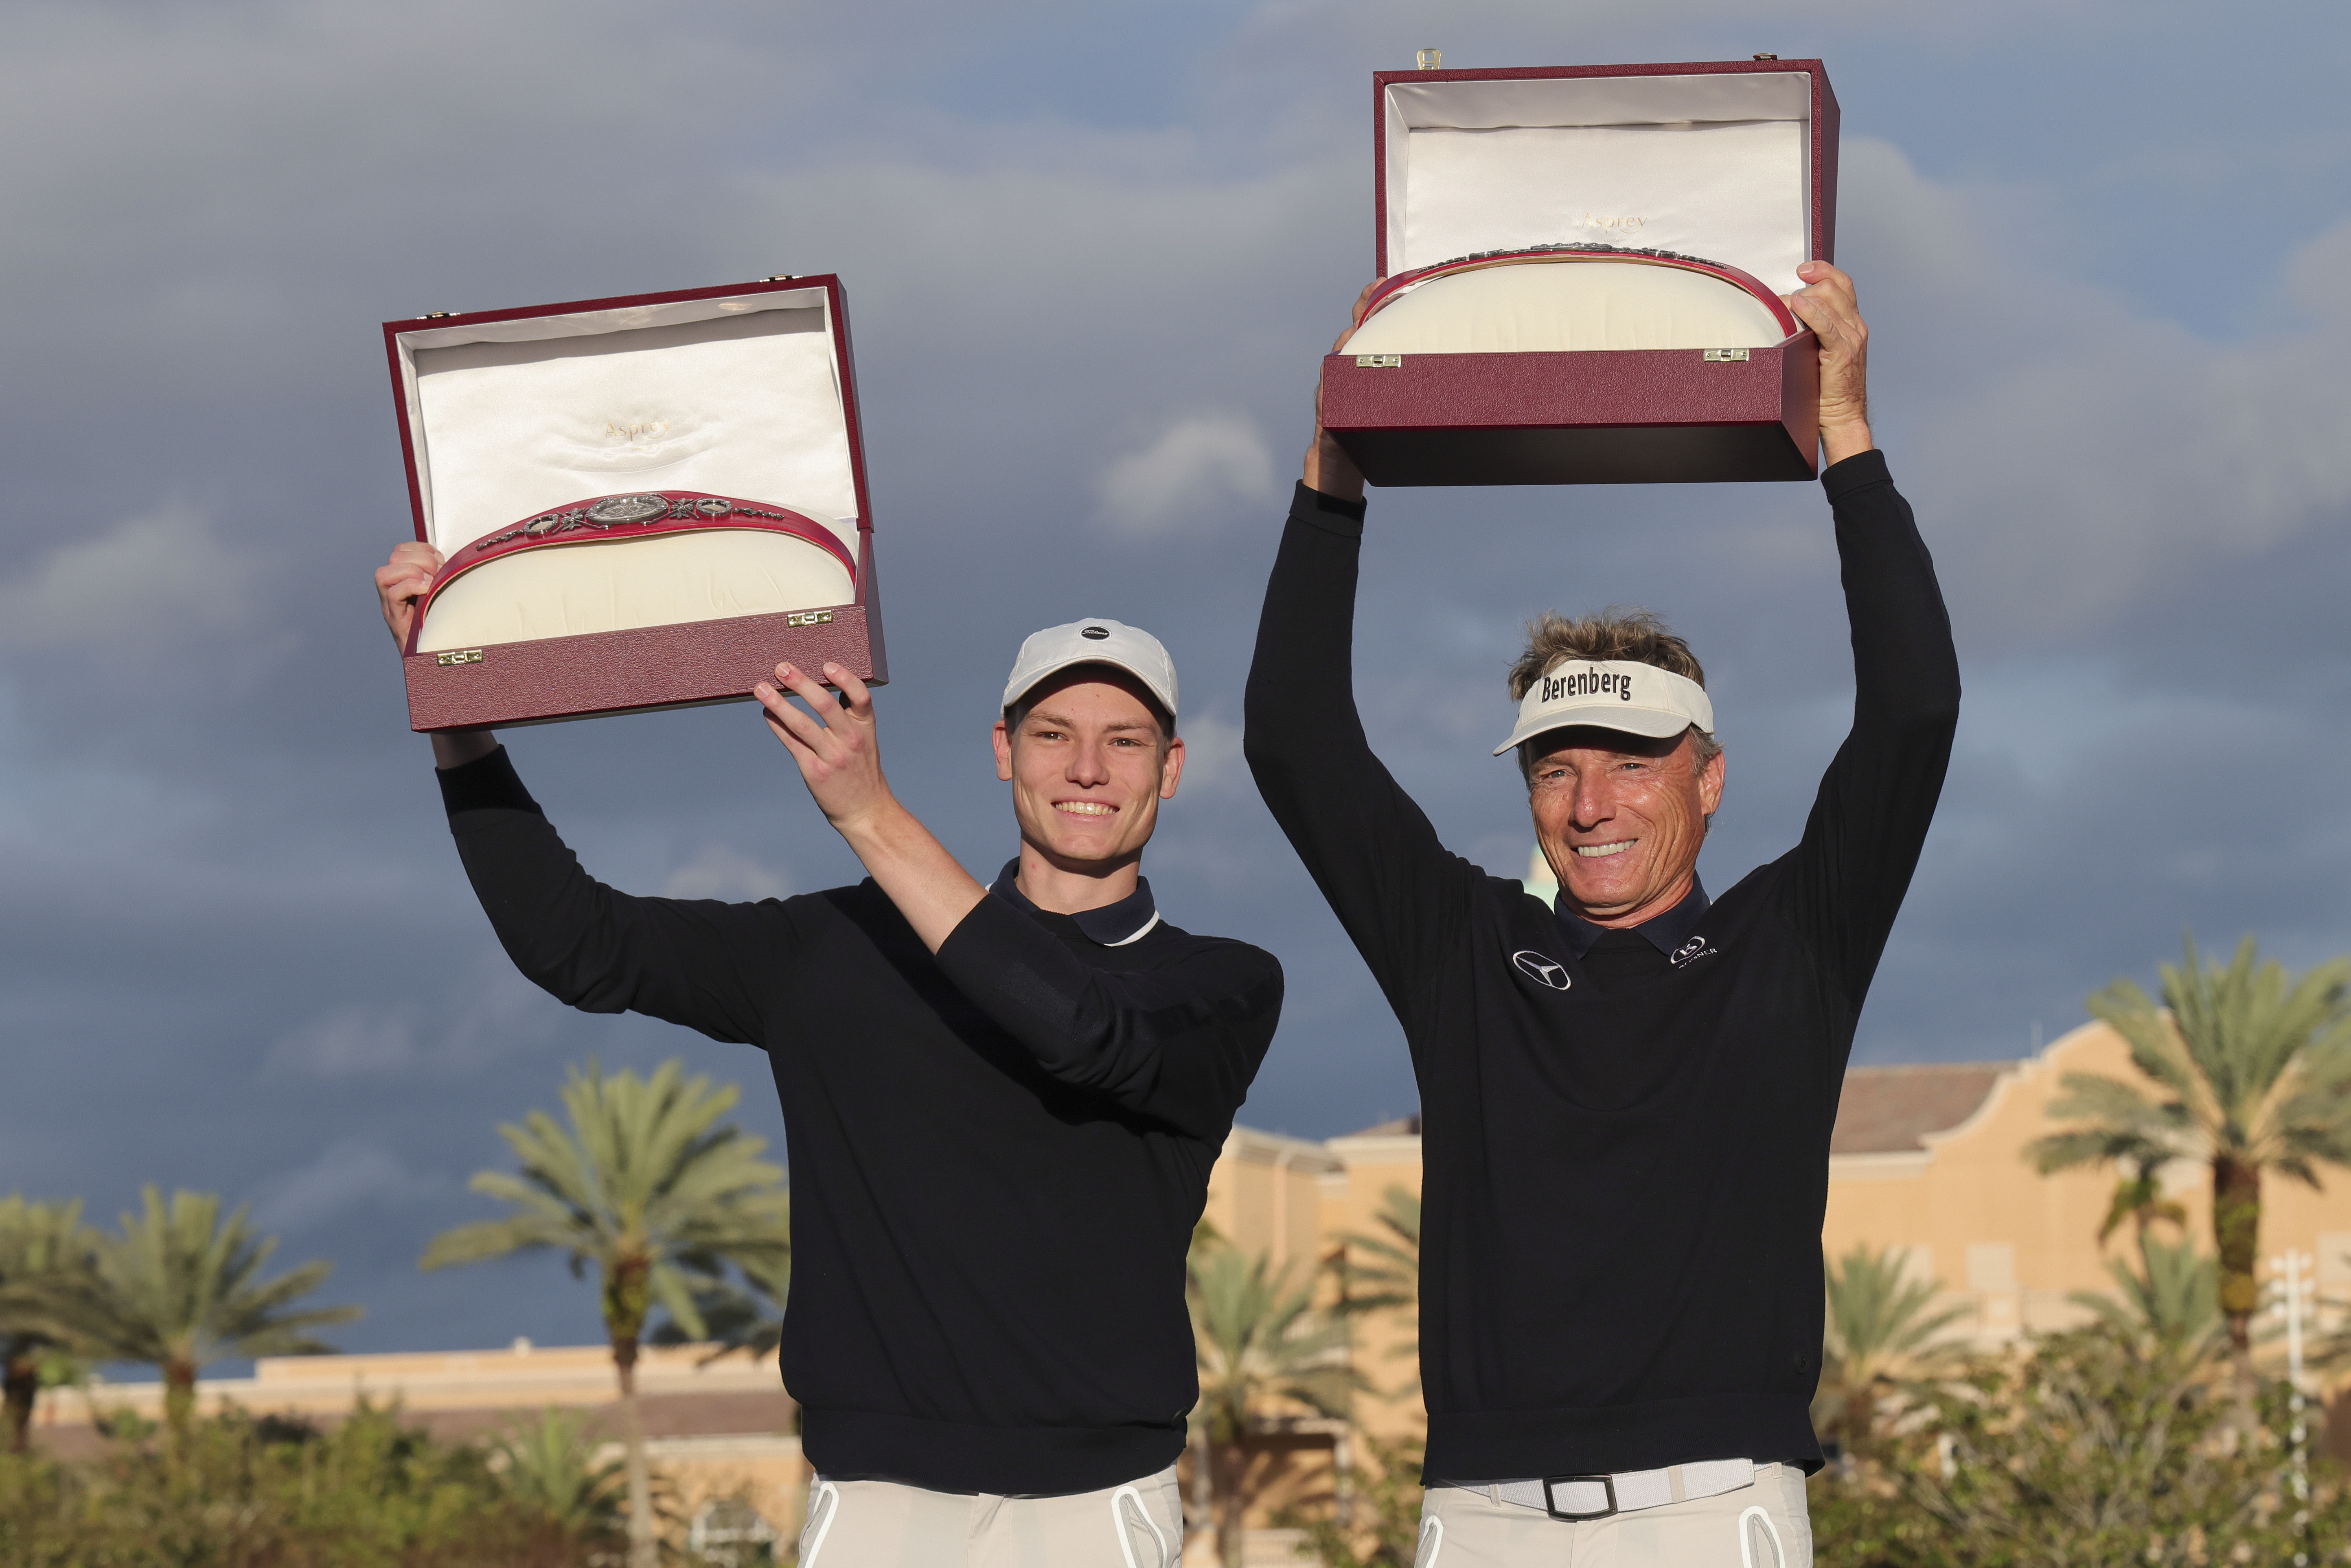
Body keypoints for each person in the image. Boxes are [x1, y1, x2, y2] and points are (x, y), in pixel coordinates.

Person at [1243, 261, 1958, 1565]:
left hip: (1716, 1505)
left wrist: (1846, 425)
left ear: (1710, 774)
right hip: (1482, 1514)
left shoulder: (1794, 941)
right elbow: (1294, 739)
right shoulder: (1462, 950)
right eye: (1558, 766)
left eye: (1634, 760)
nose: (1592, 803)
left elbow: (1912, 710)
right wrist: (1335, 455)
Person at [370, 563, 1283, 1567]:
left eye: (1125, 742)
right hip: (873, 1498)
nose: (1087, 770)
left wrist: (867, 814)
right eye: (1052, 735)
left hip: (1095, 1504)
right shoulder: (839, 948)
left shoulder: (1219, 984)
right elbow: (577, 946)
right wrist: (456, 715)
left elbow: (1081, 1034)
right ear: (1002, 752)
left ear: (1173, 767)